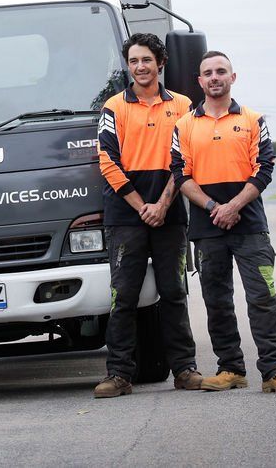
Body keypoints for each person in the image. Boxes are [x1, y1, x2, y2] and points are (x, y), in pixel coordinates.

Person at [169, 51, 276, 394]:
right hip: (207, 227)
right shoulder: (184, 125)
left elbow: (265, 168)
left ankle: (275, 372)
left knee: (262, 298)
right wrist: (216, 206)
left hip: (251, 226)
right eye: (208, 73)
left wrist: (234, 206)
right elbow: (180, 173)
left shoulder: (253, 119)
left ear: (233, 77)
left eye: (221, 71)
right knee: (217, 301)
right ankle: (230, 369)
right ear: (199, 81)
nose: (214, 77)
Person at [93, 33, 201, 398]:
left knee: (174, 293)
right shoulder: (114, 107)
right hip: (126, 217)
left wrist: (163, 205)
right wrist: (143, 207)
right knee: (122, 297)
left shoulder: (184, 106)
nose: (140, 67)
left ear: (161, 63)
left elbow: (186, 159)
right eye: (134, 61)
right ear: (128, 65)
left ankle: (185, 369)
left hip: (170, 215)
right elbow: (107, 162)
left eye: (146, 60)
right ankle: (119, 374)